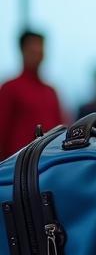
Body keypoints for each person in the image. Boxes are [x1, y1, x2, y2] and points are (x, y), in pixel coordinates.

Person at [0, 30, 63, 159]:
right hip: (16, 168)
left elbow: (61, 130)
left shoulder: (50, 92)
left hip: (49, 166)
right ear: (22, 50)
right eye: (32, 48)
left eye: (40, 47)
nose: (37, 51)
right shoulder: (10, 88)